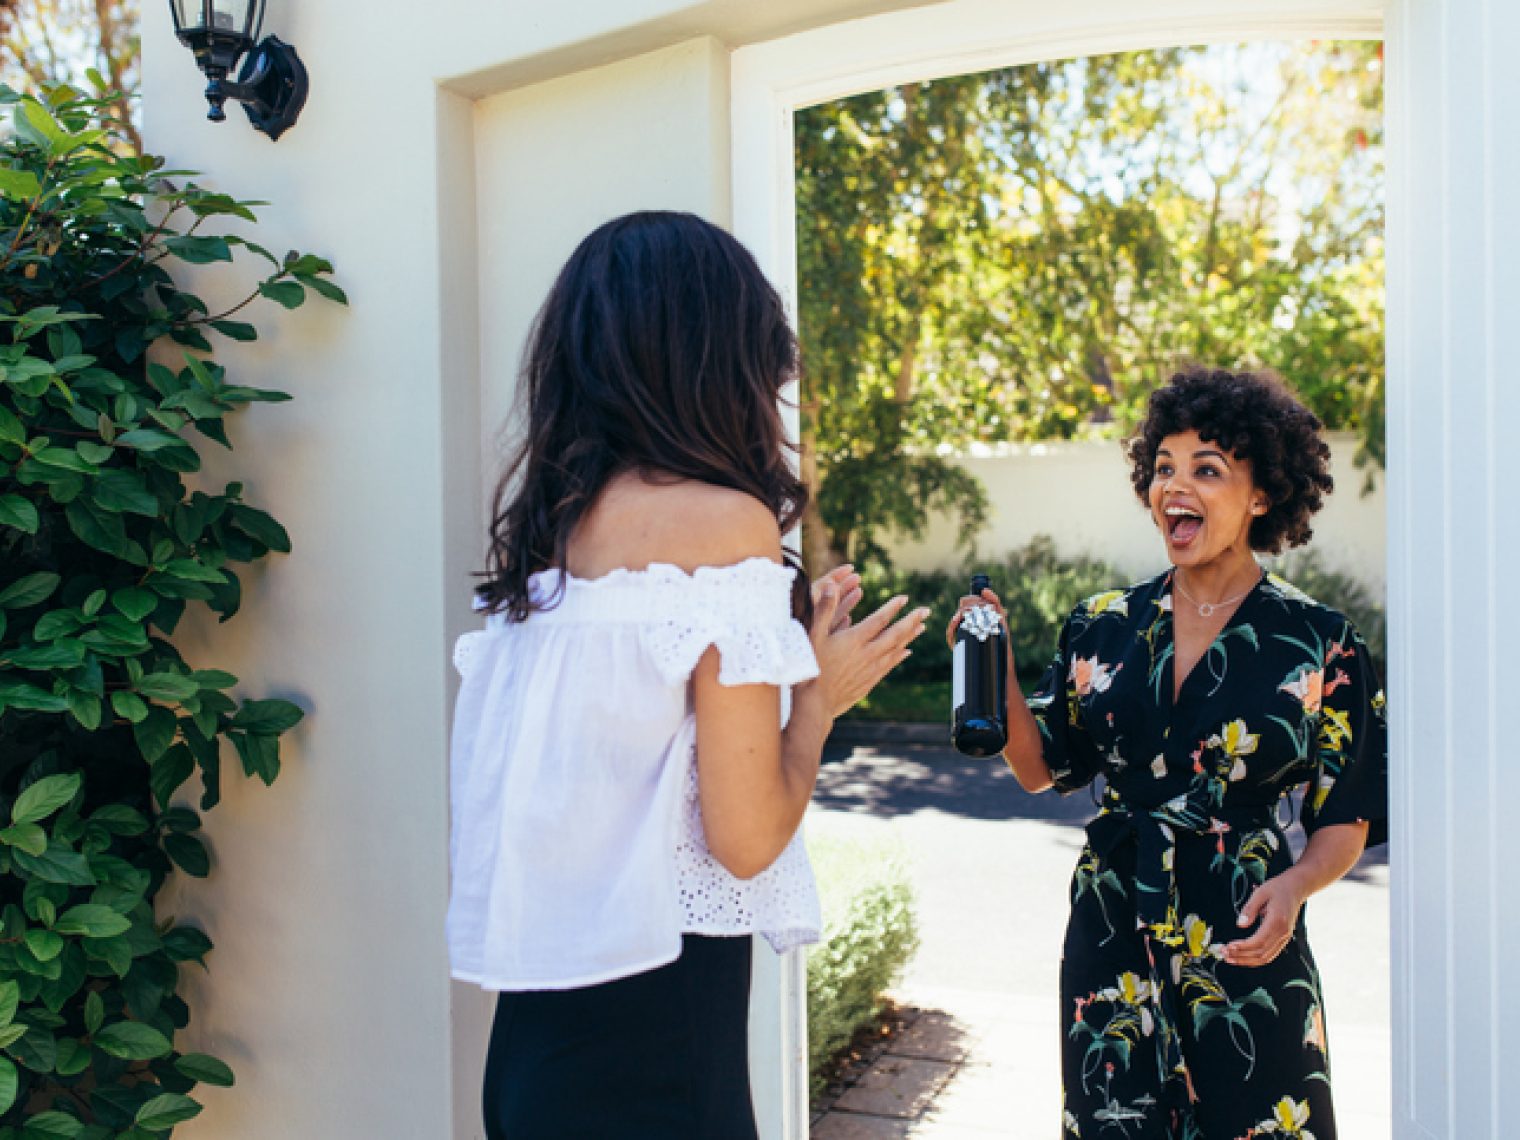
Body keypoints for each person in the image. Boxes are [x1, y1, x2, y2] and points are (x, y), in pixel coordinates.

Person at [447, 211, 929, 1139]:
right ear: (713, 358)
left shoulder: (550, 541)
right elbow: (744, 841)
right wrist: (817, 700)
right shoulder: (723, 526)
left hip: (531, 1058)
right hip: (655, 1065)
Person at [949, 366, 1387, 1139]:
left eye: (1207, 469)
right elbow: (1037, 767)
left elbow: (1344, 815)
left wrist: (1293, 890)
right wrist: (999, 665)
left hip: (1247, 929)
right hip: (1114, 920)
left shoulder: (1322, 644)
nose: (1174, 486)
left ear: (1262, 496)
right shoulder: (1103, 624)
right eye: (1163, 468)